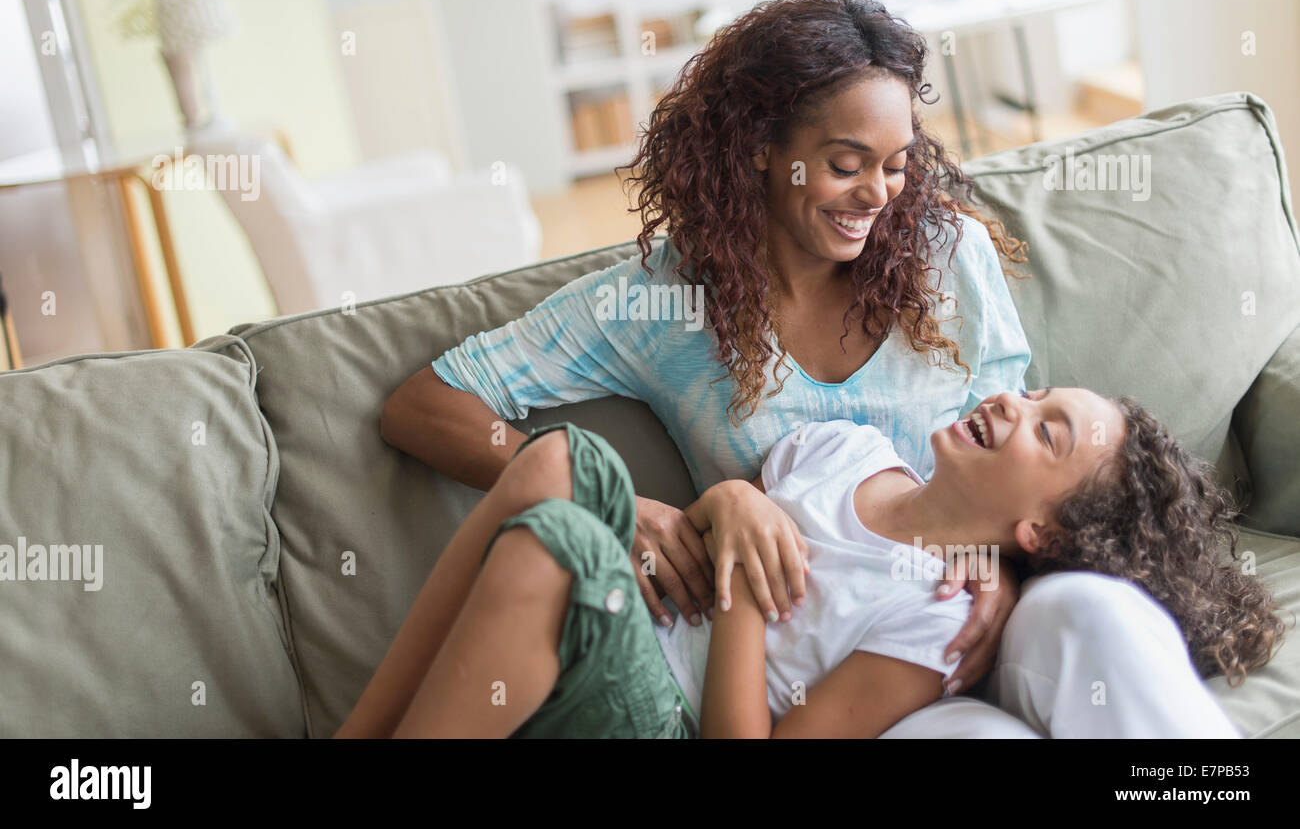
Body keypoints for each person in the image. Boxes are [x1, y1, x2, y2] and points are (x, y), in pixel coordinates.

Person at [376, 0, 1033, 719]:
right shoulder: (668, 299)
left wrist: (1005, 568)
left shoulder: (949, 259)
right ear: (760, 147)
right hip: (732, 677)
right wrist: (621, 510)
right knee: (564, 483)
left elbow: (1028, 461)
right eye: (846, 163)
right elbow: (427, 403)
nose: (877, 193)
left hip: (906, 666)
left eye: (897, 163)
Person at [336, 388, 1285, 738]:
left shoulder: (938, 618)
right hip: (640, 624)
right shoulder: (842, 448)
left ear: (1039, 529)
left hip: (667, 711)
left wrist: (748, 590)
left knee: (566, 547)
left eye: (1048, 429)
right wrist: (732, 501)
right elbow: (717, 524)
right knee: (557, 461)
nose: (1012, 400)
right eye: (1034, 391)